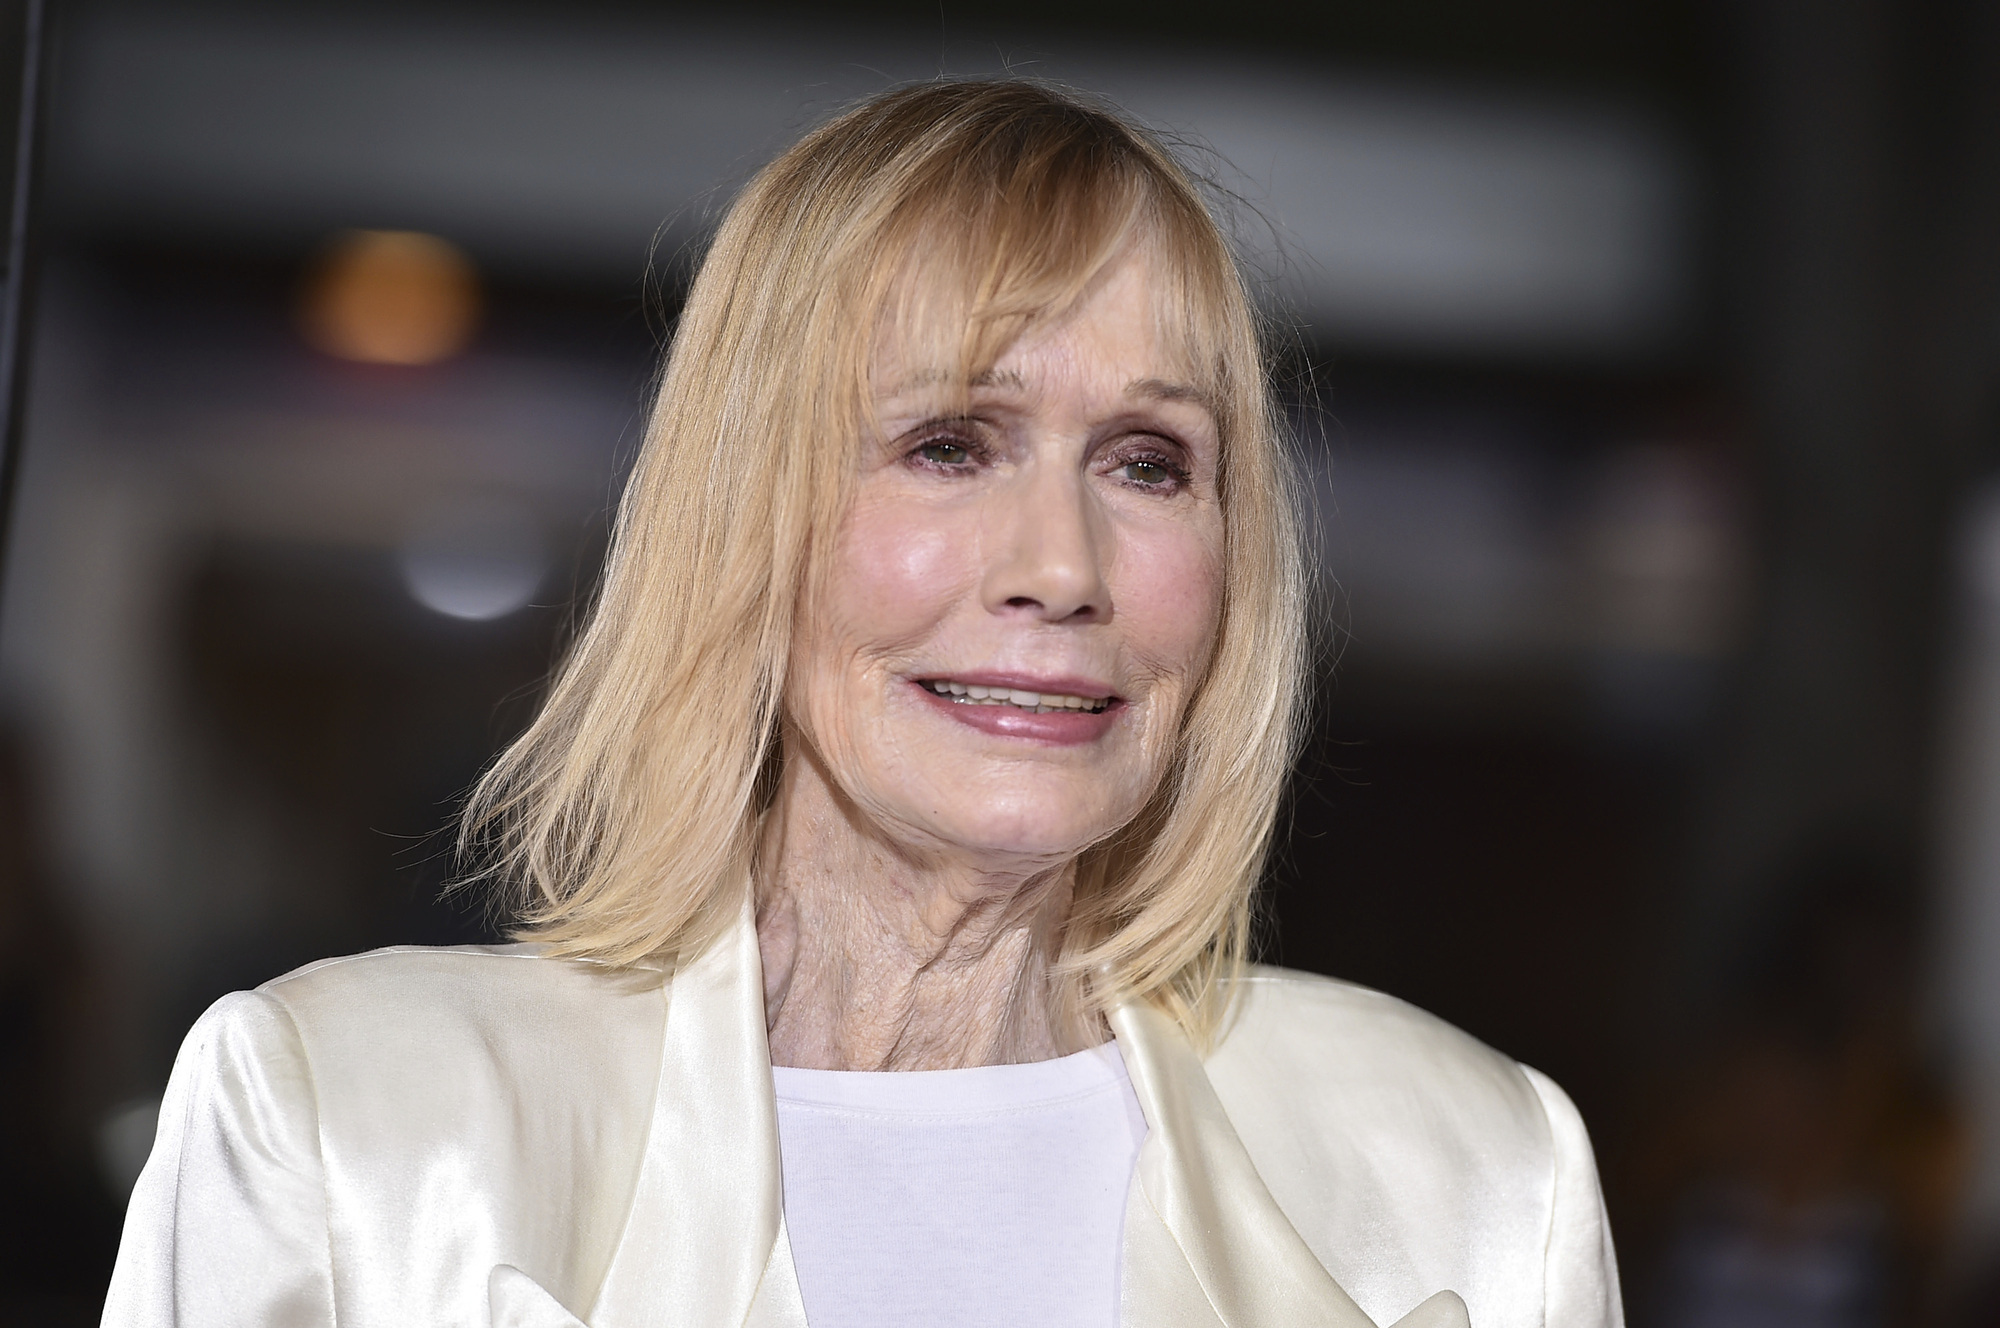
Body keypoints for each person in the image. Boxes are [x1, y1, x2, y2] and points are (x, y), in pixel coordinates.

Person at [101, 80, 1622, 1328]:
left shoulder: (1473, 1173)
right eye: (950, 444)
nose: (1062, 568)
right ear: (744, 517)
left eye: (1148, 463)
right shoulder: (348, 1126)